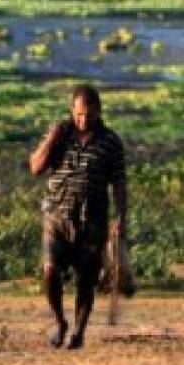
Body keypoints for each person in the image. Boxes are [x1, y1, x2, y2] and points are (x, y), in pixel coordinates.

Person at [28, 84, 127, 350]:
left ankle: (79, 332)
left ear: (99, 112)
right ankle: (60, 322)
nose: (84, 121)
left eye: (90, 115)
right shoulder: (59, 134)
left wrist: (120, 217)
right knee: (50, 270)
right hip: (56, 215)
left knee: (86, 279)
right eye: (80, 114)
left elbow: (119, 183)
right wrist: (52, 140)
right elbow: (36, 168)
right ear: (72, 110)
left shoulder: (111, 142)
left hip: (92, 219)